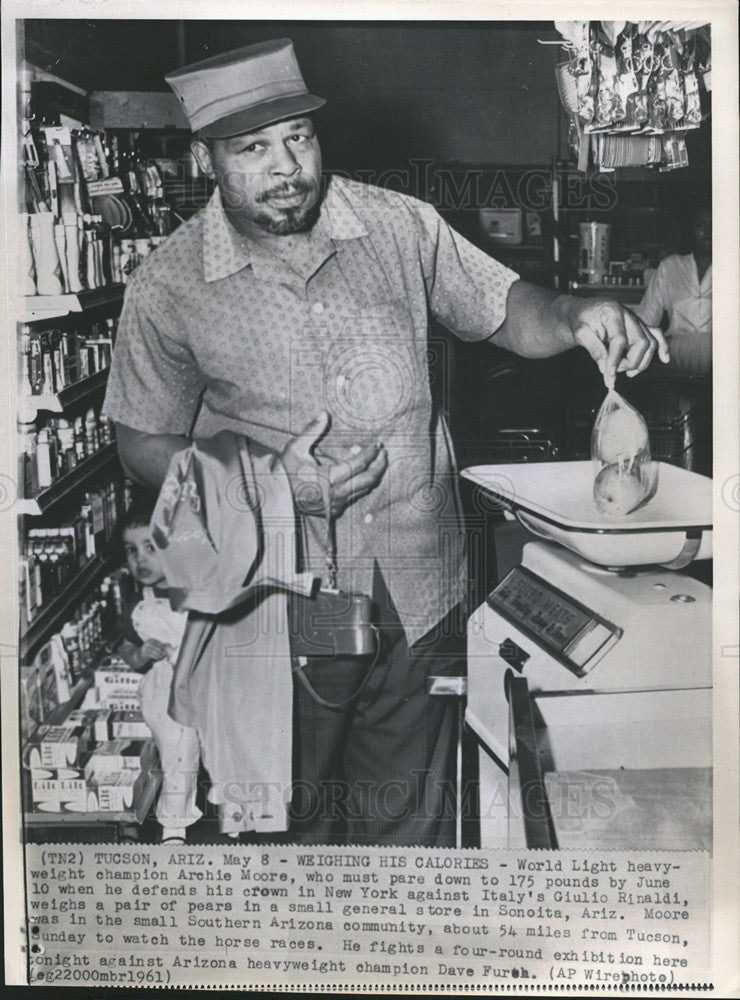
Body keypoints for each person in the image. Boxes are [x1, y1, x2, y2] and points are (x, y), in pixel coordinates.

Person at [103, 38, 668, 847]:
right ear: (208, 158)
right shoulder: (169, 284)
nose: (286, 165)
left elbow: (506, 308)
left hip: (420, 590)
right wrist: (266, 487)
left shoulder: (399, 226)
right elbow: (140, 445)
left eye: (298, 135)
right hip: (271, 602)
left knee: (412, 828)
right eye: (252, 148)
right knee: (281, 836)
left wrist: (577, 315)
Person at [117, 501, 202, 844]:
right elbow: (126, 650)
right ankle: (174, 825)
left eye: (151, 547)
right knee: (178, 747)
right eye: (131, 550)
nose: (140, 559)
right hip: (166, 686)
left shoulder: (195, 590)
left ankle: (238, 809)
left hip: (205, 681)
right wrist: (139, 653)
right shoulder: (138, 600)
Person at [633, 203, 712, 375]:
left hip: (721, 359)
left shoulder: (734, 267)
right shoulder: (670, 266)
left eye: (715, 224)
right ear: (692, 228)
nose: (709, 233)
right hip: (676, 359)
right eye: (701, 225)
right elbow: (647, 317)